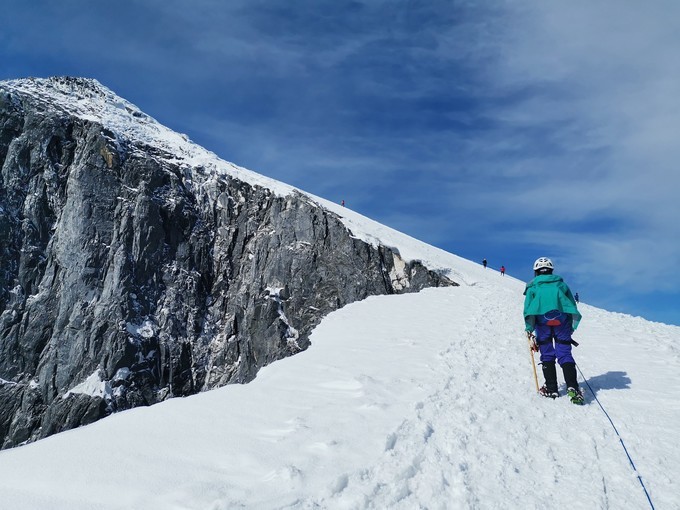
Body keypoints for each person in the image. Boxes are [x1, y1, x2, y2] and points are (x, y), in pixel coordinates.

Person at [523, 257, 584, 404]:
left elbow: (528, 309)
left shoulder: (532, 286)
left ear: (536, 272)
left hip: (542, 322)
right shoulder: (561, 285)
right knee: (564, 352)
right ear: (551, 270)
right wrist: (570, 326)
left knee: (547, 353)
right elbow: (570, 304)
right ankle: (573, 387)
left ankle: (551, 388)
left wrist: (529, 328)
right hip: (561, 321)